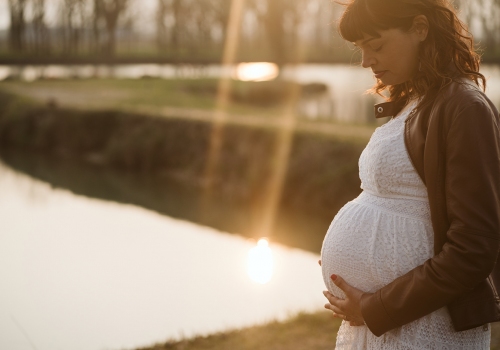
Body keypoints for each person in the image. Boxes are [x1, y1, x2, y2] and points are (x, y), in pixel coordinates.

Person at [319, 0, 500, 348]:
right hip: (387, 326)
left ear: (420, 28)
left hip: (423, 328)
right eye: (360, 48)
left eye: (377, 45)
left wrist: (375, 307)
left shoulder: (465, 108)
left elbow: (473, 249)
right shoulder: (415, 99)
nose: (366, 60)